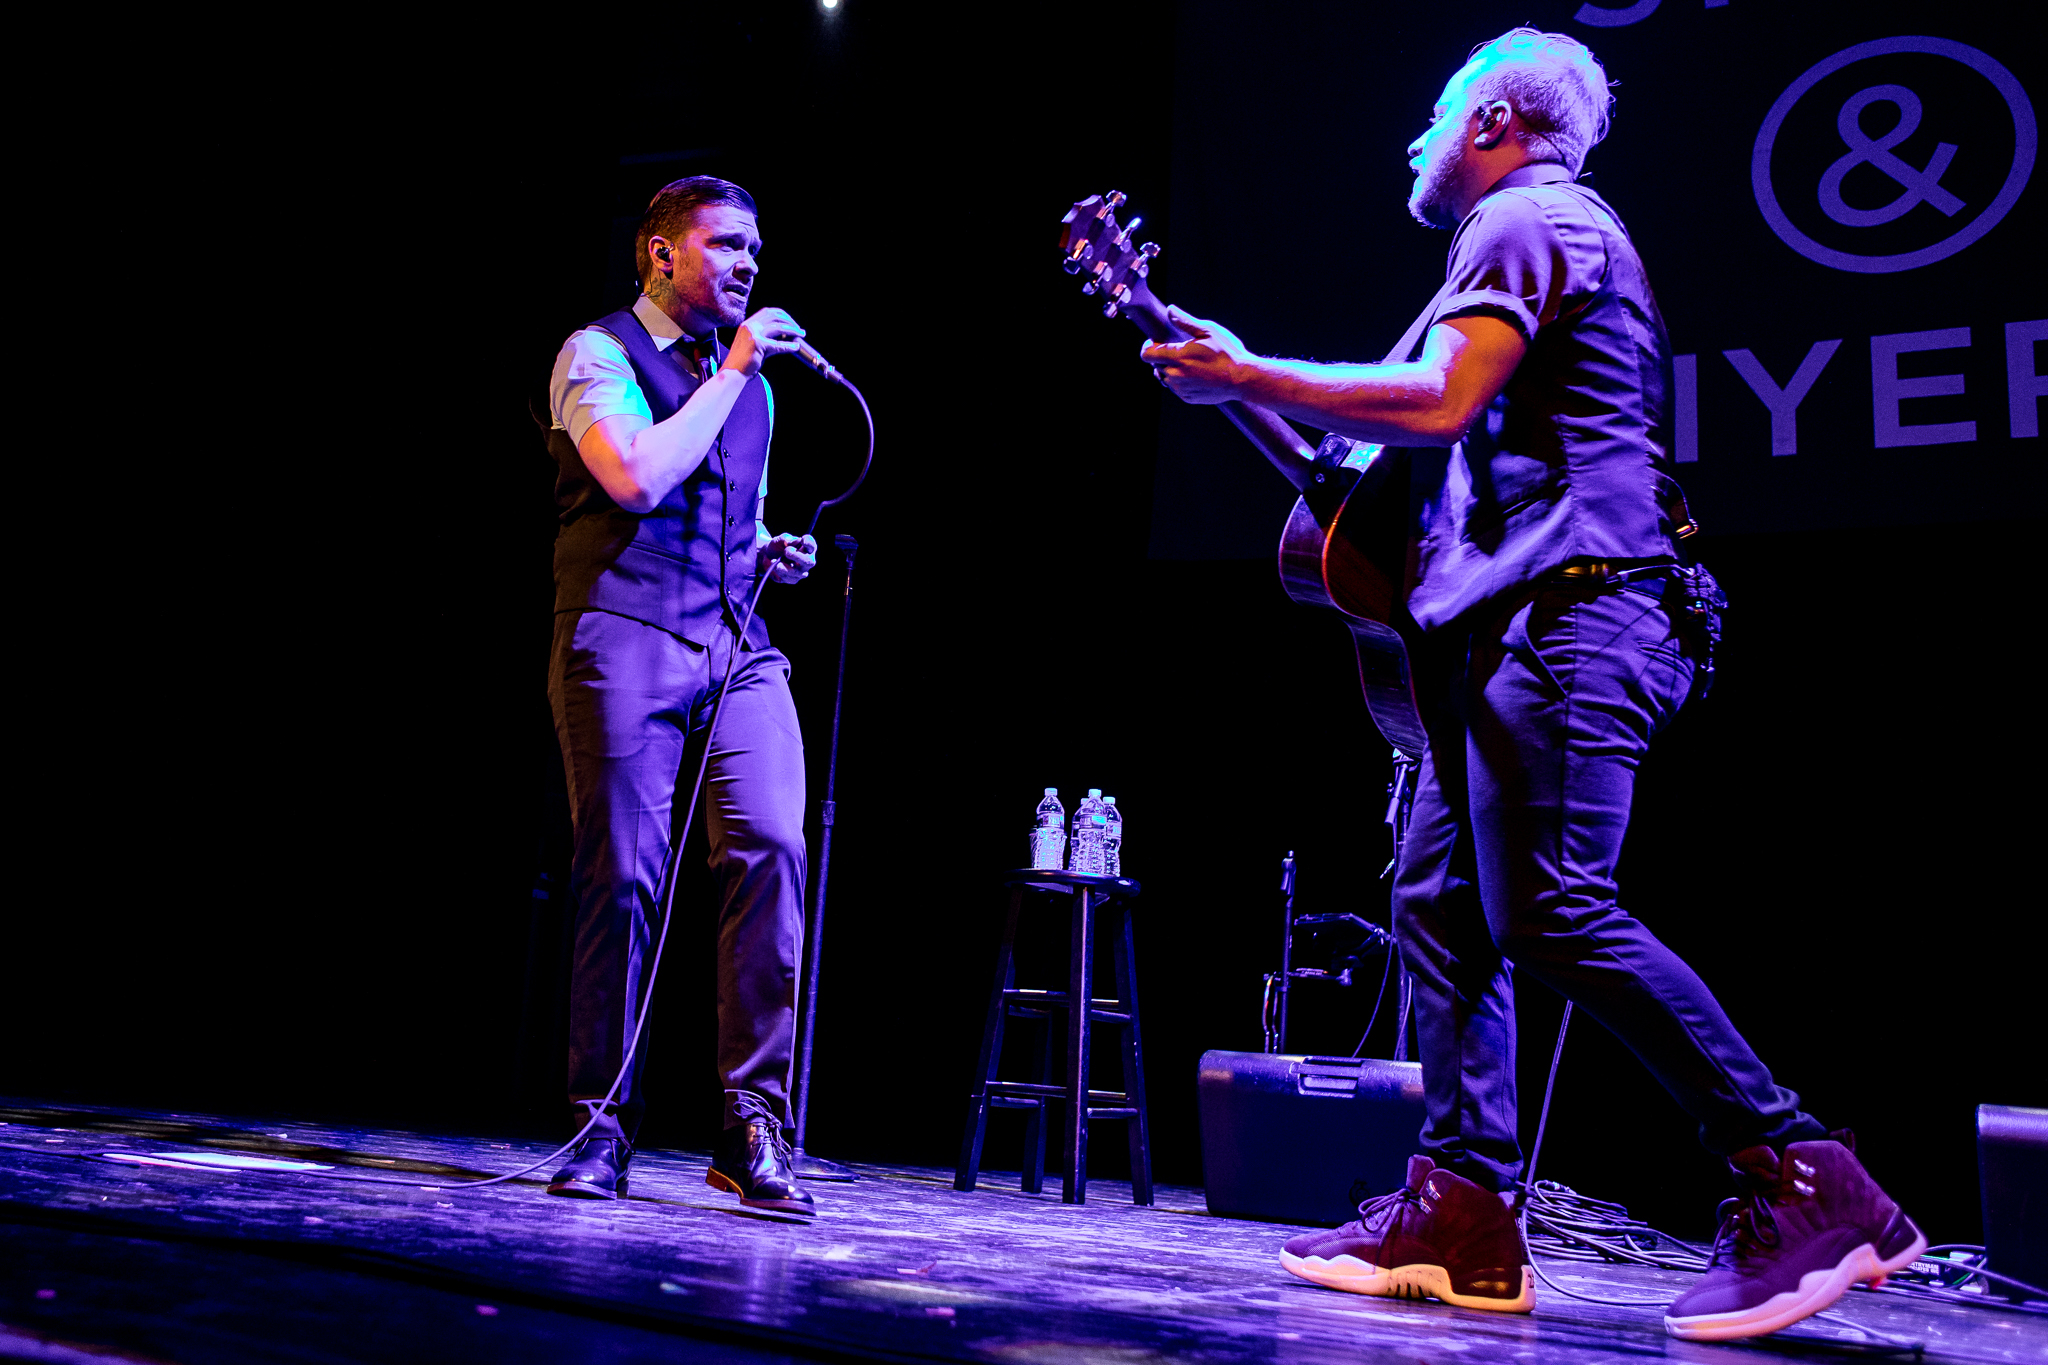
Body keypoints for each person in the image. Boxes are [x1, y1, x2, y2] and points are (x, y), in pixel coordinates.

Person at [1141, 29, 1924, 1342]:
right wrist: (1248, 394)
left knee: (1554, 907)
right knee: (1439, 902)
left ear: (1493, 120)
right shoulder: (1512, 241)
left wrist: (1250, 371)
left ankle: (1805, 1178)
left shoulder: (1528, 218)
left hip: (1580, 615)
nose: (1415, 139)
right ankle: (1461, 1212)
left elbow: (1438, 400)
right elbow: (1408, 471)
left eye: (1436, 113)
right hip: (1510, 629)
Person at [542, 175, 820, 1215]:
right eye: (728, 244)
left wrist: (768, 550)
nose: (750, 263)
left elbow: (730, 511)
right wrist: (735, 371)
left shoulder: (752, 391)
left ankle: (751, 1124)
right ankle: (601, 1124)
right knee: (622, 874)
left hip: (734, 643)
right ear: (663, 253)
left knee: (773, 846)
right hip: (624, 634)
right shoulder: (598, 353)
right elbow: (634, 478)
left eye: (756, 248)